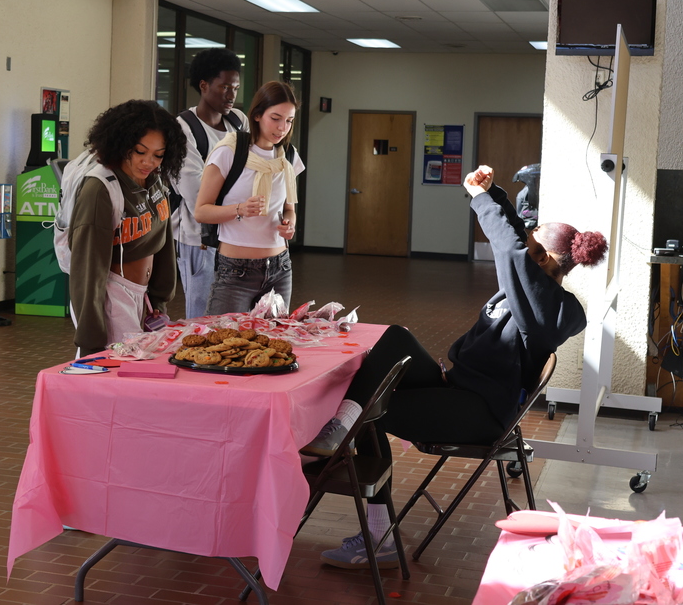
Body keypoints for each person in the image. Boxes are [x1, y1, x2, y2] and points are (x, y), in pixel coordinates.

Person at [302, 164, 608, 570]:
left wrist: (483, 203)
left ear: (549, 262)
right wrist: (491, 191)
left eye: (532, 251)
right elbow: (517, 241)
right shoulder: (526, 284)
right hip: (456, 388)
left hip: (478, 415)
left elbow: (512, 251)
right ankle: (341, 428)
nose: (519, 252)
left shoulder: (557, 312)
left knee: (372, 411)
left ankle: (374, 529)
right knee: (394, 339)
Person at [68, 100, 187, 357]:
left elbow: (163, 244)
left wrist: (159, 300)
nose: (148, 162)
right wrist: (90, 338)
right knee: (116, 378)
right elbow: (87, 271)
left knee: (140, 375)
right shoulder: (100, 189)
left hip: (143, 299)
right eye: (139, 151)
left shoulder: (155, 182)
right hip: (112, 298)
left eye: (158, 154)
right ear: (122, 144)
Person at [194, 80, 305, 315]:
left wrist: (290, 225)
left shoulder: (288, 157)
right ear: (257, 115)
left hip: (280, 267)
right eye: (275, 118)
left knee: (272, 346)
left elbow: (289, 209)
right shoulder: (230, 151)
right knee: (227, 343)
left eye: (289, 120)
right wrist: (239, 209)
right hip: (235, 270)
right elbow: (201, 211)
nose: (282, 127)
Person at [173, 48, 250, 319]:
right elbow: (196, 194)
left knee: (235, 312)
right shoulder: (183, 128)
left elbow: (253, 170)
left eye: (236, 88)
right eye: (225, 88)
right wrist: (240, 202)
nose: (231, 96)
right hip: (199, 238)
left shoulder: (238, 122)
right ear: (204, 86)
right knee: (202, 314)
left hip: (238, 234)